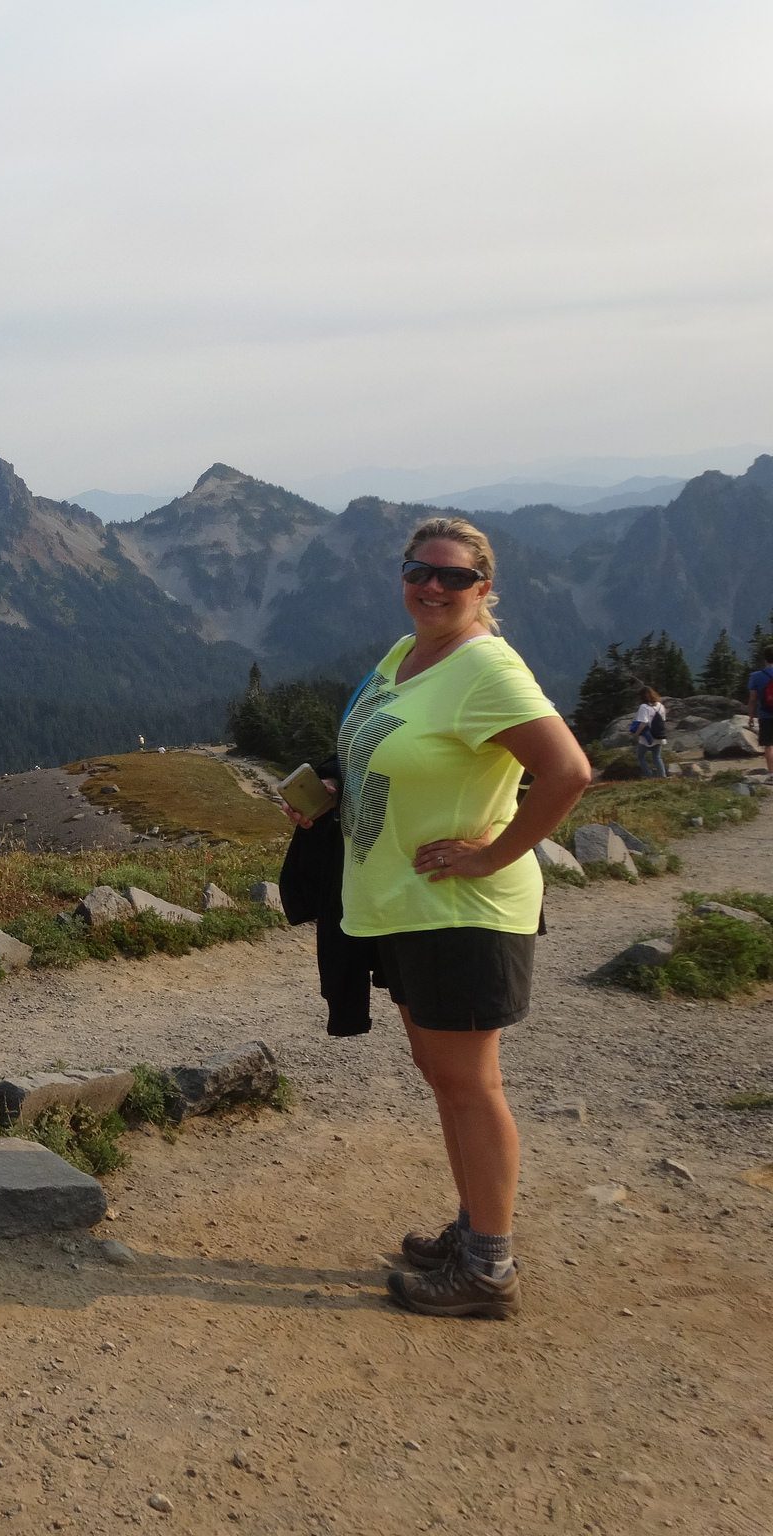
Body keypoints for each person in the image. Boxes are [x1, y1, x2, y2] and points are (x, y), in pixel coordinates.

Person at [281, 517, 588, 1320]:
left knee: (470, 1083)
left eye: (454, 577)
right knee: (443, 1075)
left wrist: (491, 853)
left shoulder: (487, 667)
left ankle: (489, 1269)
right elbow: (385, 748)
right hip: (404, 905)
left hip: (463, 911)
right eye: (420, 570)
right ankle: (474, 1228)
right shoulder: (406, 653)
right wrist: (337, 797)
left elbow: (568, 771)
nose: (433, 587)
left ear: (484, 590)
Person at [630, 686, 668, 778]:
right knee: (657, 757)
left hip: (648, 737)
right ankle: (663, 776)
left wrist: (636, 734)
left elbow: (644, 722)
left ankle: (648, 775)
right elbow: (663, 719)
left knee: (640, 756)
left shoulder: (644, 707)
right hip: (659, 735)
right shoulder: (660, 705)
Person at [749, 645, 773, 773]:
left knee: (769, 745)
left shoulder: (756, 676)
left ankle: (772, 773)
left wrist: (751, 716)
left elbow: (753, 699)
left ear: (765, 659)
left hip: (765, 714)